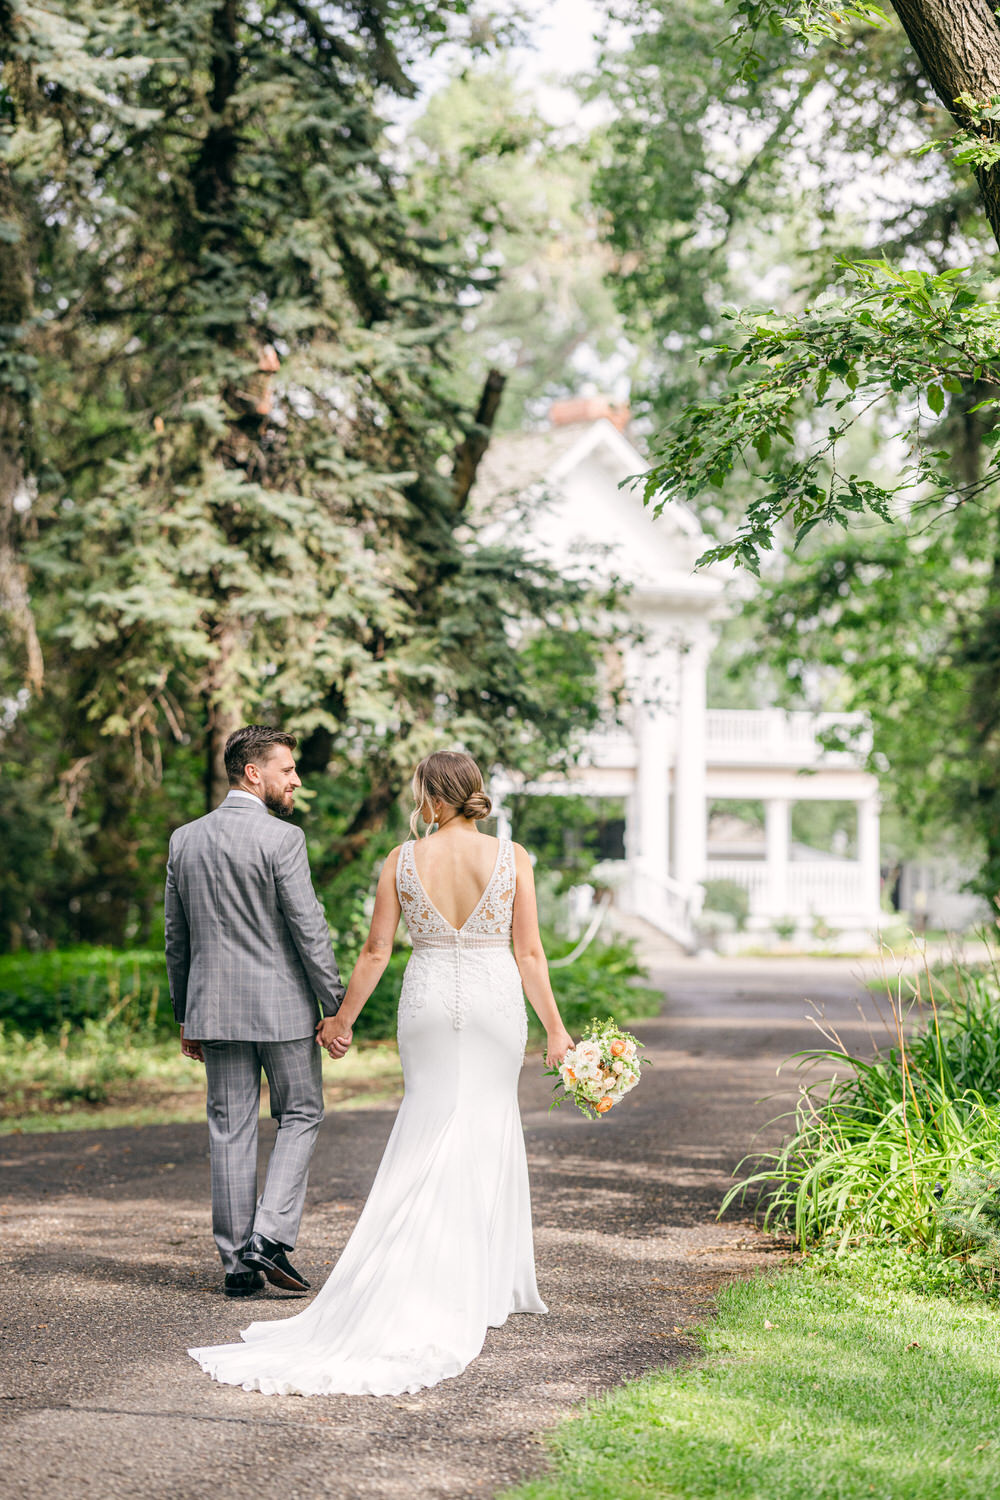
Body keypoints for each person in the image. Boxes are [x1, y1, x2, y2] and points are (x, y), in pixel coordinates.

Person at [188, 748, 574, 1395]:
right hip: (492, 1004)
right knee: (485, 1125)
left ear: (435, 795)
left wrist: (339, 1021)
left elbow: (374, 952)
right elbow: (529, 953)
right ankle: (482, 1282)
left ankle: (417, 1269)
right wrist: (557, 1031)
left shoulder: (402, 859)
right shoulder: (513, 858)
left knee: (427, 1125)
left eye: (420, 790)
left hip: (426, 1005)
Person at [164, 725, 348, 1298]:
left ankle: (237, 1267)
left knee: (229, 1130)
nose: (295, 779)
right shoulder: (282, 839)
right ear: (253, 773)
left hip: (213, 1010)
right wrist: (336, 1006)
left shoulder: (183, 840)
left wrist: (185, 1013)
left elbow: (177, 937)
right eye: (287, 769)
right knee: (301, 1114)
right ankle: (268, 1238)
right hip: (283, 1011)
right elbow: (309, 929)